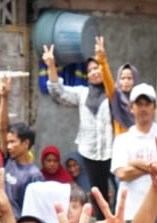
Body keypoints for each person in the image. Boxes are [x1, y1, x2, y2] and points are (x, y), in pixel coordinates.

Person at [42, 39, 116, 195]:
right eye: (90, 70)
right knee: (96, 192)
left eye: (97, 68)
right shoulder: (83, 93)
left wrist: (102, 57)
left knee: (118, 189)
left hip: (113, 151)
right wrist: (51, 66)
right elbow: (59, 92)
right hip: (89, 152)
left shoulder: (114, 93)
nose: (94, 72)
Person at [111, 85, 157, 218]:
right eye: (139, 104)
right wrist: (155, 166)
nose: (143, 108)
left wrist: (135, 163)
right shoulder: (122, 140)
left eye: (147, 104)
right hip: (129, 211)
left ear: (155, 107)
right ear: (131, 108)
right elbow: (122, 173)